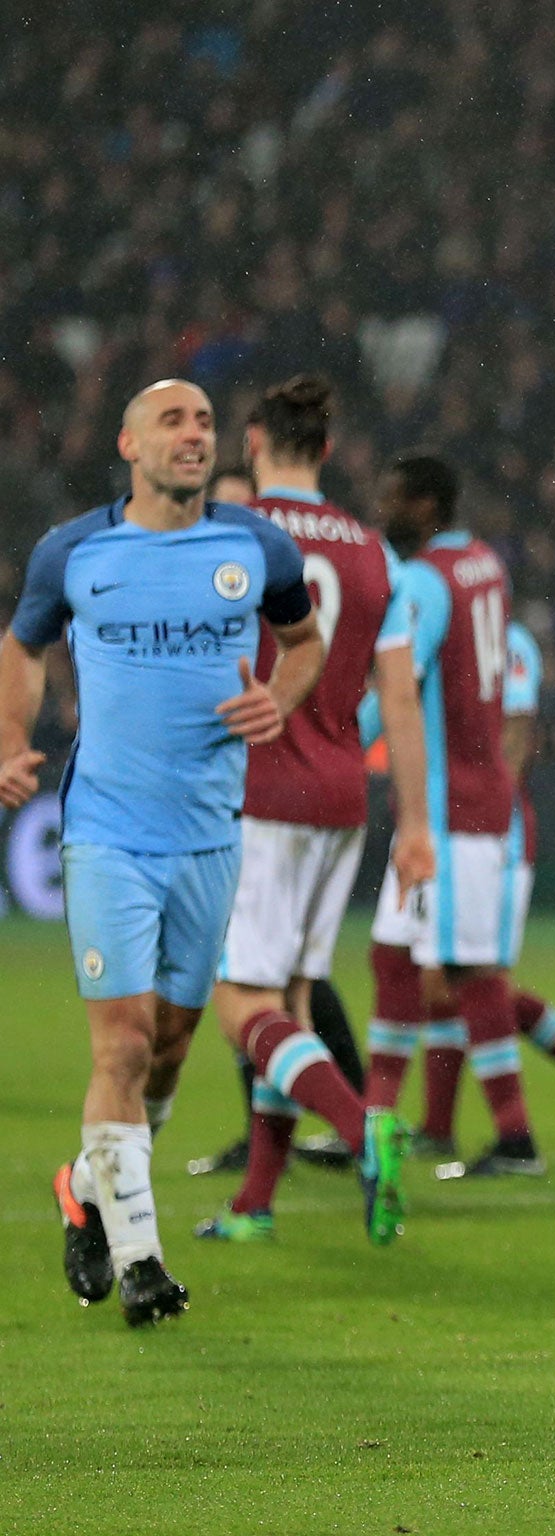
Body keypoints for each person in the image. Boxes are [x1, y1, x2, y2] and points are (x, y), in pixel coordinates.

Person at [3, 379, 324, 1323]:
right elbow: (22, 647)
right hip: (107, 832)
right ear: (130, 446)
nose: (194, 436)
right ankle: (141, 1261)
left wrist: (283, 695)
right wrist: (10, 741)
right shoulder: (75, 551)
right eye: (173, 423)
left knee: (174, 1052)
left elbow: (304, 641)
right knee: (126, 1039)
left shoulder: (255, 546)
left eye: (204, 423)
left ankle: (84, 1190)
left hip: (210, 837)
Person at [193, 375, 431, 1244]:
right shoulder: (376, 553)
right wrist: (413, 825)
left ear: (252, 444)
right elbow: (399, 704)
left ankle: (364, 1122)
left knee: (239, 1002)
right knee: (287, 1004)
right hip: (341, 796)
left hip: (255, 792)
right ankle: (257, 1203)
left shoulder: (230, 533)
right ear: (326, 452)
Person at [356, 454, 539, 1177]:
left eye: (394, 499)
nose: (382, 511)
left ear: (427, 505)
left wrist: (339, 740)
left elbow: (399, 684)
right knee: (393, 956)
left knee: (469, 971)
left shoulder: (425, 581)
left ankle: (516, 1137)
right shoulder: (484, 564)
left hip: (448, 805)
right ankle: (375, 1124)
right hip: (465, 795)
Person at [403, 617, 555, 1161]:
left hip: (491, 833)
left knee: (476, 980)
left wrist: (486, 815)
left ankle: (534, 1121)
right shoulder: (440, 633)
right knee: (442, 980)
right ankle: (439, 1127)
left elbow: (518, 732)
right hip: (454, 826)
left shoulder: (508, 641)